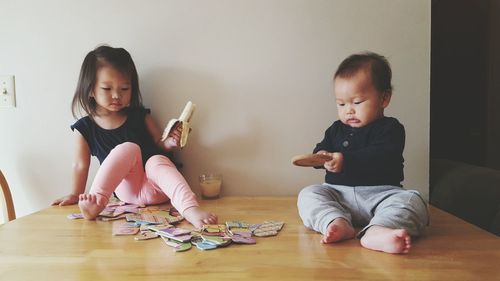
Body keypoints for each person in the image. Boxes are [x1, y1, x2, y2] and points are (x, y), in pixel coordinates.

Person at [52, 45, 217, 229]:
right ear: (90, 89)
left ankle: (190, 209)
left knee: (156, 160)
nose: (116, 95)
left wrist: (170, 142)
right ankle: (96, 203)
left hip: (158, 187)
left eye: (124, 88)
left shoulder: (140, 115)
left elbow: (158, 143)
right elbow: (80, 165)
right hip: (126, 191)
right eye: (107, 88)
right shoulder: (85, 127)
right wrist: (75, 194)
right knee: (128, 148)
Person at [297, 52, 428, 254]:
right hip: (339, 194)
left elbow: (381, 155)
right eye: (341, 104)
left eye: (357, 102)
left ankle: (378, 231)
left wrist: (344, 160)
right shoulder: (335, 129)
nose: (348, 110)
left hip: (382, 195)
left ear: (384, 98)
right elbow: (319, 152)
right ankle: (335, 221)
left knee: (412, 200)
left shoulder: (391, 128)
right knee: (309, 194)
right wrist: (321, 156)